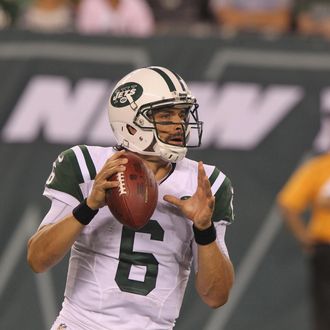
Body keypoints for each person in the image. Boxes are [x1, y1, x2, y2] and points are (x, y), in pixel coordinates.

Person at [27, 66, 235, 330]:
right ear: (132, 122)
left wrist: (204, 230)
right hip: (82, 323)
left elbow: (216, 296)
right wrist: (89, 206)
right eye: (166, 115)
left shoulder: (206, 183)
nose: (179, 125)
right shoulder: (86, 165)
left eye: (182, 114)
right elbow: (38, 259)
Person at [277, 152, 330, 330]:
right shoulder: (320, 167)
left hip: (324, 247)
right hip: (325, 247)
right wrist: (305, 238)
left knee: (324, 306)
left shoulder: (320, 167)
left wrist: (305, 239)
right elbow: (288, 204)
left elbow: (287, 203)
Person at [75, 0, 155, 37]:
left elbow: (146, 32)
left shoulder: (136, 4)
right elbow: (84, 33)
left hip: (130, 51)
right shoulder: (90, 3)